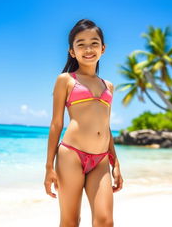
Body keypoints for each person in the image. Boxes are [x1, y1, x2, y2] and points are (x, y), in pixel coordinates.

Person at [44, 19, 124, 227]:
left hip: (101, 159)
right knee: (70, 221)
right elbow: (56, 124)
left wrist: (116, 163)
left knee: (105, 221)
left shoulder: (109, 86)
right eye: (81, 44)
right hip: (71, 155)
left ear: (103, 48)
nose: (88, 49)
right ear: (72, 51)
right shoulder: (66, 80)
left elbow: (105, 127)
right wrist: (48, 167)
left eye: (94, 43)